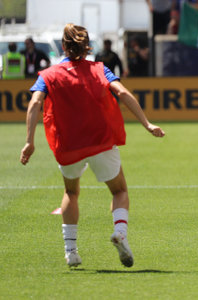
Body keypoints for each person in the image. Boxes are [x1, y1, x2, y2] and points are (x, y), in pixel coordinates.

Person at [20, 23, 165, 267]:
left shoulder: (48, 75)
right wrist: (147, 123)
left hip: (68, 147)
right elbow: (123, 93)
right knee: (119, 191)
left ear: (64, 46)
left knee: (71, 192)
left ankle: (71, 251)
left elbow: (35, 104)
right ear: (87, 48)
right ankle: (120, 233)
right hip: (101, 143)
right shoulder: (100, 69)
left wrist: (29, 142)